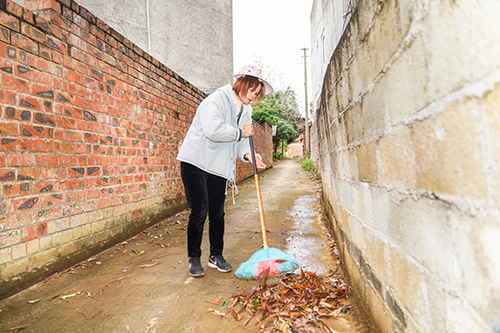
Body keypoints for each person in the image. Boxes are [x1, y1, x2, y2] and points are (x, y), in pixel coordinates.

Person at [176, 65, 273, 277]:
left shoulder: (246, 111)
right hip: (196, 162)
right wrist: (240, 132)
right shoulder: (216, 100)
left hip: (218, 167)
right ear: (242, 83)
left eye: (257, 94)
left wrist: (250, 155)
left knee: (218, 213)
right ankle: (194, 258)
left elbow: (241, 142)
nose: (252, 96)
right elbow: (213, 130)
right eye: (251, 90)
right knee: (200, 209)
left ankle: (215, 256)